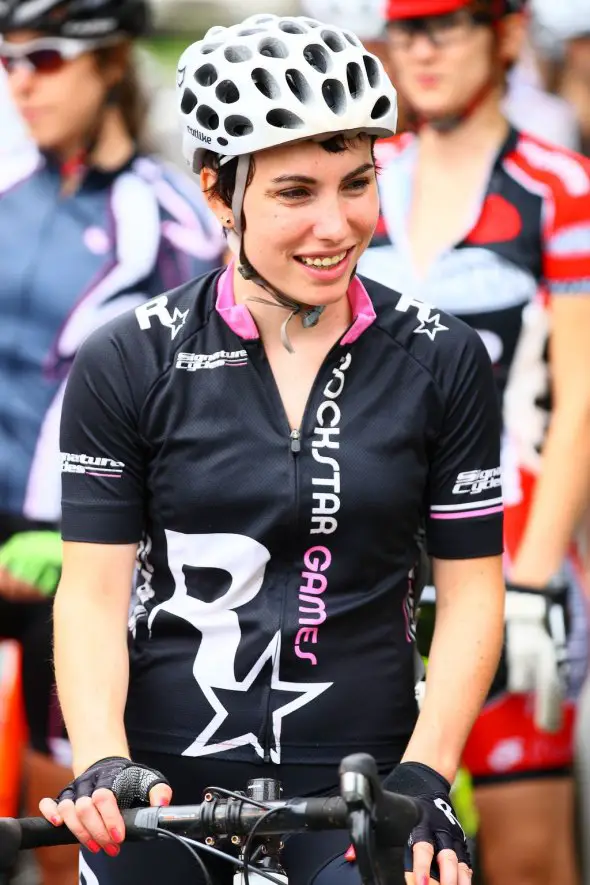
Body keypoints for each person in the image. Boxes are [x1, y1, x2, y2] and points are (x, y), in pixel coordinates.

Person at [37, 11, 506, 885]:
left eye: (356, 182)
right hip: (166, 780)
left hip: (366, 779)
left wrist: (429, 772)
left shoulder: (442, 358)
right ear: (219, 193)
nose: (336, 226)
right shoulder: (129, 357)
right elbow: (94, 591)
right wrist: (102, 758)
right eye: (295, 192)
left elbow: (474, 590)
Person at [357, 2, 590, 885]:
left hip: (512, 543)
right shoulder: (365, 175)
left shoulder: (559, 185)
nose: (419, 49)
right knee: (378, 847)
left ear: (504, 33)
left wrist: (531, 580)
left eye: (446, 24)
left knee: (527, 855)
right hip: (371, 552)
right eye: (406, 28)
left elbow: (580, 401)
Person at [0, 1, 225, 883]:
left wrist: (96, 541)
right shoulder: (11, 200)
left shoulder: (170, 214)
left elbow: (204, 402)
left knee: (70, 819)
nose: (22, 81)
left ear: (112, 62)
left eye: (47, 58)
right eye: (8, 60)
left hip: (83, 550)